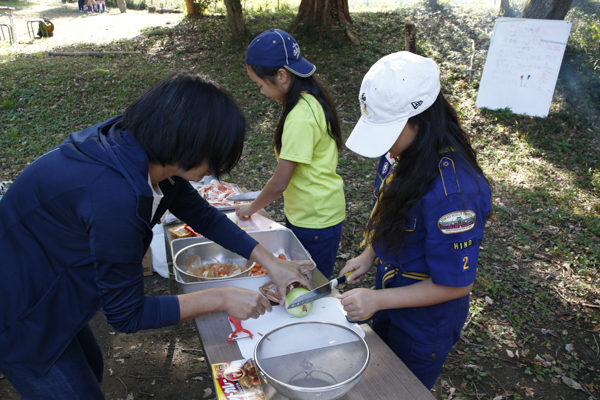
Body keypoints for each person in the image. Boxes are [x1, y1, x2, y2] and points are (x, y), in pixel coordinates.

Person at [0, 71, 312, 399]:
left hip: (50, 281)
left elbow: (203, 214)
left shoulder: (142, 149)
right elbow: (127, 314)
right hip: (19, 310)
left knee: (89, 366)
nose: (215, 170)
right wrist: (221, 298)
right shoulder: (115, 198)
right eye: (214, 156)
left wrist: (271, 263)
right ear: (186, 143)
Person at [337, 51, 492, 390]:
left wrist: (377, 300)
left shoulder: (455, 194)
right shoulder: (400, 154)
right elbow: (387, 209)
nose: (384, 144)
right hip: (389, 294)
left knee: (402, 389)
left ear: (420, 119)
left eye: (388, 130)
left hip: (425, 322)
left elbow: (457, 283)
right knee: (375, 380)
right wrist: (368, 254)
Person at [235, 29, 346, 279]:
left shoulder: (300, 117)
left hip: (315, 217)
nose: (261, 91)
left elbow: (280, 182)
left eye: (260, 84)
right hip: (316, 210)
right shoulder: (310, 101)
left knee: (311, 283)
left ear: (282, 76)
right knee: (309, 277)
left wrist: (251, 208)